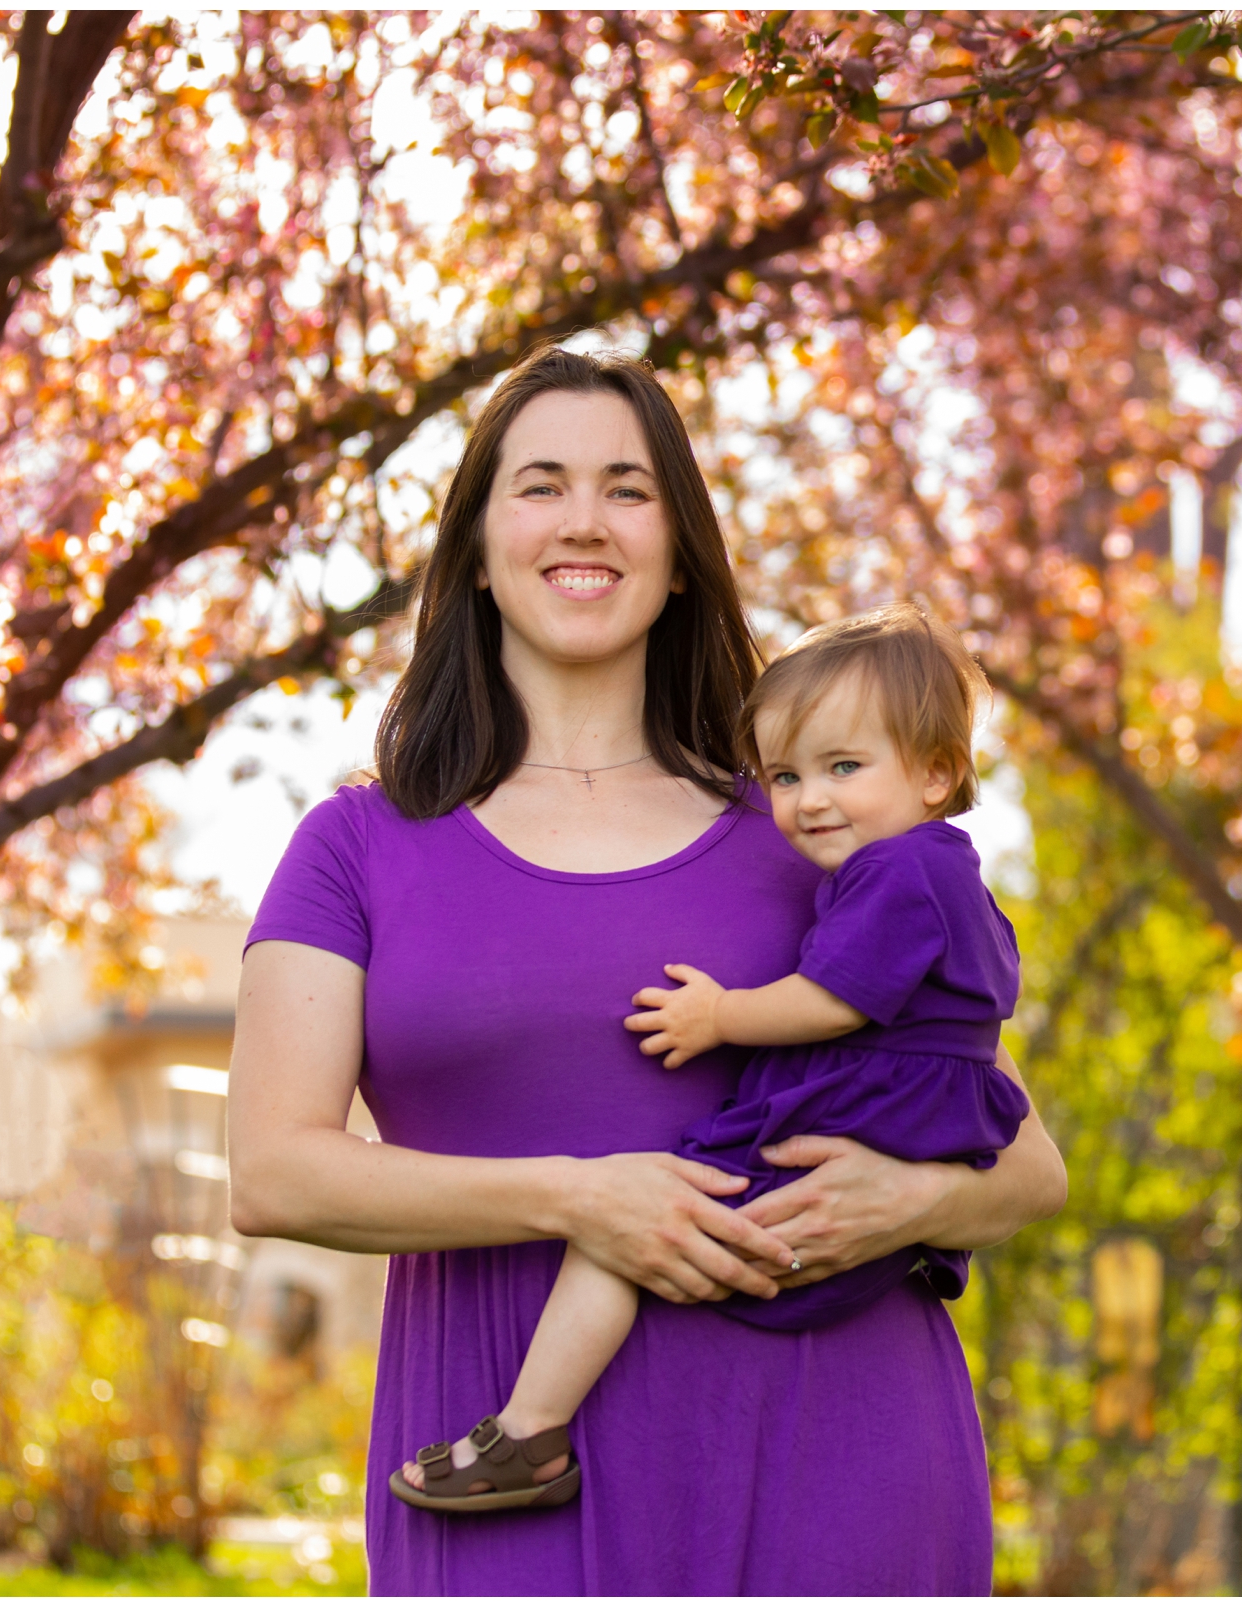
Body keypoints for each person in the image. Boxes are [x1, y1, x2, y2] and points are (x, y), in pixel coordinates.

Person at [225, 341, 1068, 1594]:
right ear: (475, 543)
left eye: (628, 488)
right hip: (504, 1461)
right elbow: (274, 1171)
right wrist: (577, 1197)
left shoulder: (818, 830)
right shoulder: (357, 845)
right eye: (542, 484)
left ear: (680, 554)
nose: (585, 521)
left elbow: (1030, 1165)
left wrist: (914, 1204)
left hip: (834, 1455)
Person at [389, 604, 1032, 1519]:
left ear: (937, 771)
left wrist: (719, 1014)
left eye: (844, 767)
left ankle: (529, 1431)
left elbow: (836, 998)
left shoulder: (898, 875)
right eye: (785, 775)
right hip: (920, 1112)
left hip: (869, 1104)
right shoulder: (947, 872)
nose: (809, 800)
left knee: (630, 1225)